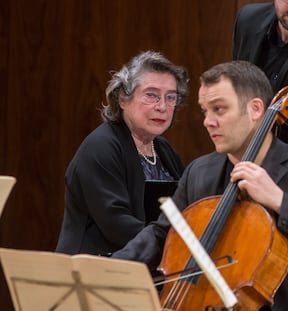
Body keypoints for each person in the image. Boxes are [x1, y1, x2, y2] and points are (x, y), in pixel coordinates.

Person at [112, 60, 288, 310]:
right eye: (205, 111)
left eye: (219, 109)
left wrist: (279, 199)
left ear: (255, 109)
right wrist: (112, 270)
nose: (208, 121)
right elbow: (162, 233)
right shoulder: (200, 172)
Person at [55, 51, 188, 256]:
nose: (162, 106)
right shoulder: (101, 146)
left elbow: (183, 208)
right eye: (151, 95)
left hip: (146, 263)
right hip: (93, 271)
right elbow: (116, 225)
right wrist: (177, 246)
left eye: (170, 97)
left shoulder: (164, 150)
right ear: (123, 98)